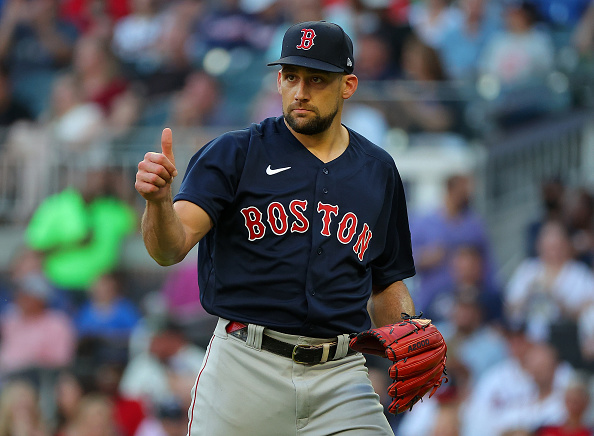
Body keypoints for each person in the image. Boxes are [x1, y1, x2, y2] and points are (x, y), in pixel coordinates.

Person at [135, 20, 419, 435]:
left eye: (316, 79)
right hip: (245, 369)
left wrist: (408, 333)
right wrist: (158, 203)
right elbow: (168, 248)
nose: (300, 91)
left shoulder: (377, 171)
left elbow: (386, 281)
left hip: (340, 375)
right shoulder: (235, 153)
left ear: (348, 85)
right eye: (290, 77)